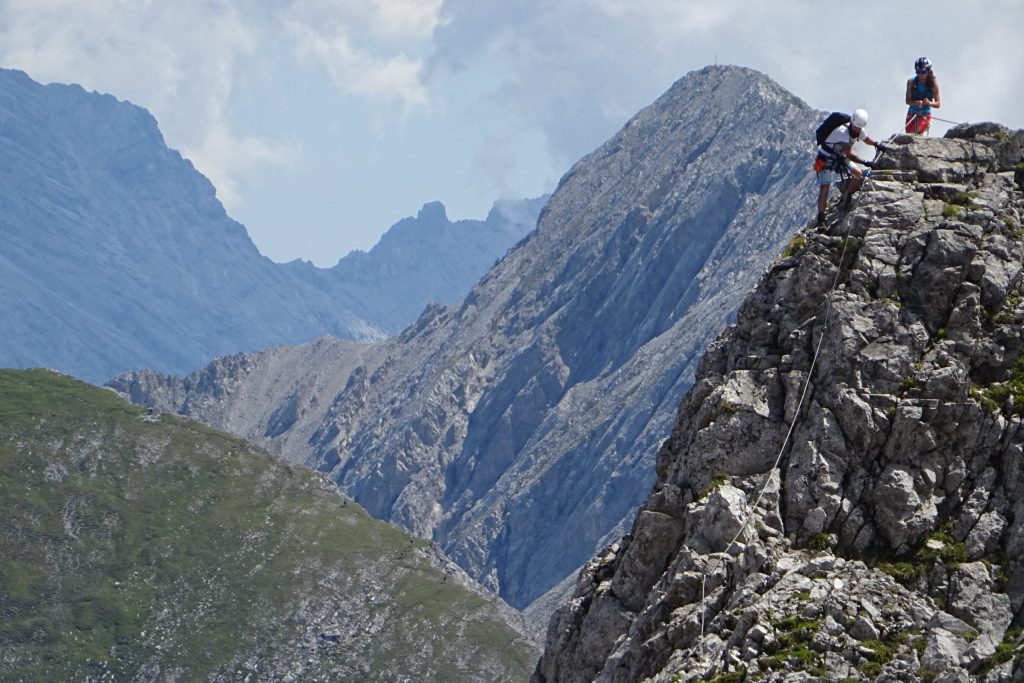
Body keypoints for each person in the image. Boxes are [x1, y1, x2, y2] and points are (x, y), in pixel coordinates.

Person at [813, 109, 883, 227]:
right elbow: (850, 155)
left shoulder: (859, 130)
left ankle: (848, 196)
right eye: (855, 127)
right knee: (824, 188)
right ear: (851, 123)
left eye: (858, 128)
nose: (856, 129)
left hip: (839, 157)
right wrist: (866, 162)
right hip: (825, 158)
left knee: (858, 173)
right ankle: (821, 218)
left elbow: (866, 139)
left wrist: (877, 144)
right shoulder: (842, 132)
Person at [905, 57, 940, 134]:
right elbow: (907, 101)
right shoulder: (911, 82)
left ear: (928, 71)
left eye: (923, 72)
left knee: (916, 133)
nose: (920, 74)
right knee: (909, 135)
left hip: (925, 114)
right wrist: (916, 102)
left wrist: (929, 103)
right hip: (911, 114)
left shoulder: (933, 83)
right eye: (918, 72)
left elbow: (938, 104)